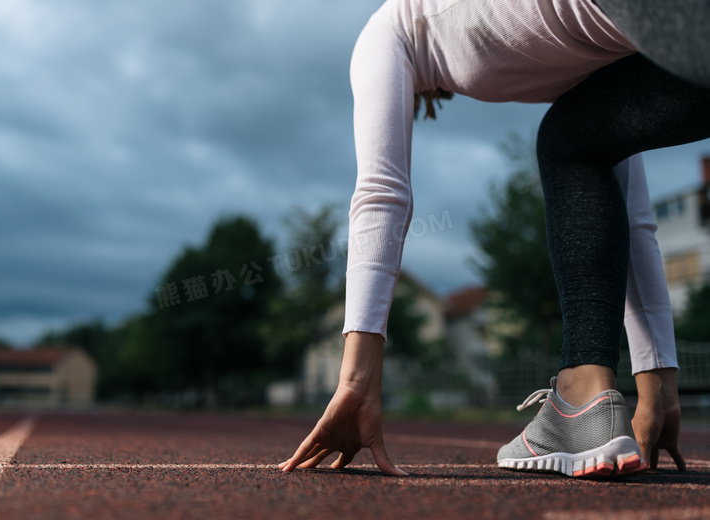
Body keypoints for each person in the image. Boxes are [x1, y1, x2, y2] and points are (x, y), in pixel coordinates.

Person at [280, 0, 710, 477]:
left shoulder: (394, 26)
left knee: (569, 143)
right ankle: (588, 400)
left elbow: (381, 194)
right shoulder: (561, 59)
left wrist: (356, 382)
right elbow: (633, 214)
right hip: (672, 51)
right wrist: (659, 391)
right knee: (576, 142)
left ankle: (585, 391)